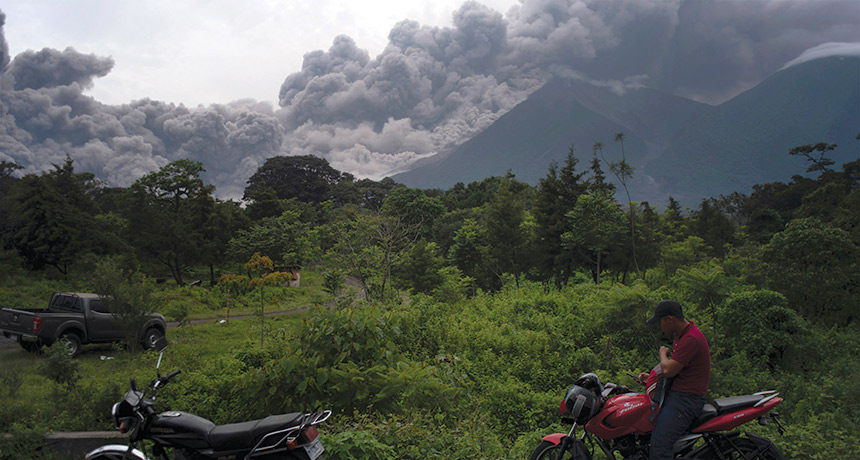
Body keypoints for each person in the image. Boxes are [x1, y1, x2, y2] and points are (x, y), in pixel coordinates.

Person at [640, 300, 711, 460]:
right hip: (678, 396)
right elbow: (679, 367)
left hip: (685, 401)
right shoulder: (683, 335)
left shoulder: (691, 338)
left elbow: (669, 370)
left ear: (669, 319)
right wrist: (650, 379)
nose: (660, 327)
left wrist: (662, 353)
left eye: (660, 322)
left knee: (659, 446)